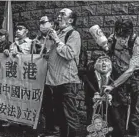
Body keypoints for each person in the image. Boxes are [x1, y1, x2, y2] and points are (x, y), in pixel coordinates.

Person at [101, 19, 139, 137]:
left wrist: (112, 85)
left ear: (130, 34)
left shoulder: (137, 43)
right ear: (115, 33)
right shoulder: (113, 38)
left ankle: (133, 134)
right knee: (118, 107)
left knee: (136, 111)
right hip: (119, 73)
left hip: (136, 75)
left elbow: (130, 70)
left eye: (125, 37)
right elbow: (106, 54)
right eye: (119, 36)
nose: (122, 40)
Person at [44, 8, 81, 137]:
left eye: (62, 14)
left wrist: (57, 40)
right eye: (58, 14)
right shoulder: (57, 34)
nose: (58, 16)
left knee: (69, 116)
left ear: (70, 20)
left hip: (67, 81)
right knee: (60, 116)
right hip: (55, 81)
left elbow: (70, 54)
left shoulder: (73, 34)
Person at [35, 16, 58, 137]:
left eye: (44, 23)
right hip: (41, 76)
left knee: (53, 104)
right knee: (44, 104)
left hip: (54, 76)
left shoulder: (55, 37)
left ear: (52, 24)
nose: (41, 25)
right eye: (40, 23)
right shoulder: (37, 39)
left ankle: (53, 129)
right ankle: (45, 128)